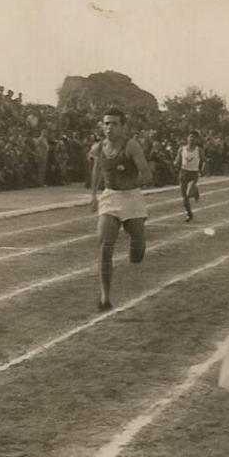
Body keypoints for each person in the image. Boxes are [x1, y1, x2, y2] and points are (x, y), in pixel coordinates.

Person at [89, 108, 153, 312]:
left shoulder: (131, 146)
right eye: (106, 123)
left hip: (131, 197)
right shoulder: (99, 148)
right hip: (110, 197)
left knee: (137, 251)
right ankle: (105, 297)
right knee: (105, 245)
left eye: (114, 124)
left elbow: (146, 173)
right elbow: (97, 171)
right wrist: (93, 195)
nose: (109, 128)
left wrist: (132, 182)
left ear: (122, 126)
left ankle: (137, 247)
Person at [174, 130, 206, 222]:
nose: (192, 139)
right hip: (183, 173)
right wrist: (176, 163)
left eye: (194, 137)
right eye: (190, 137)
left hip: (193, 173)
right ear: (187, 138)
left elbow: (204, 161)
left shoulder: (199, 150)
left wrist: (202, 170)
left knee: (188, 193)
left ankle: (195, 191)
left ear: (197, 139)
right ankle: (189, 213)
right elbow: (178, 160)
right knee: (184, 196)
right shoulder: (181, 149)